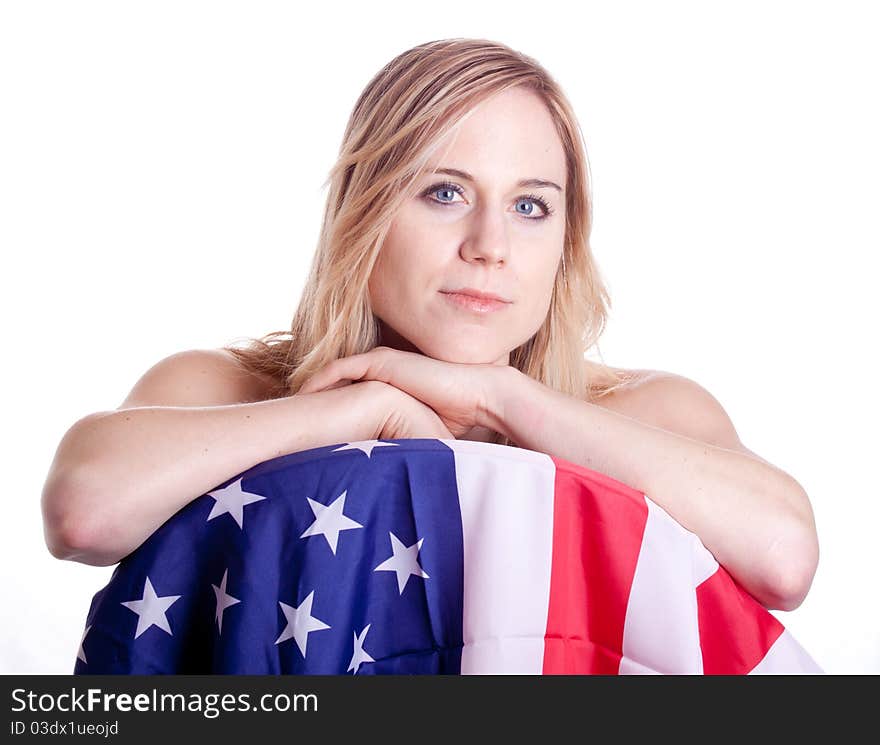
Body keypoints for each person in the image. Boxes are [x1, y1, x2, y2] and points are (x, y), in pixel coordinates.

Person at [40, 38, 818, 612]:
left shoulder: (651, 412)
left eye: (530, 205)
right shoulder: (227, 389)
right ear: (364, 214)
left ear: (565, 242)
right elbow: (82, 511)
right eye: (444, 192)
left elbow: (786, 560)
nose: (490, 246)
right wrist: (357, 406)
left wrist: (504, 399)